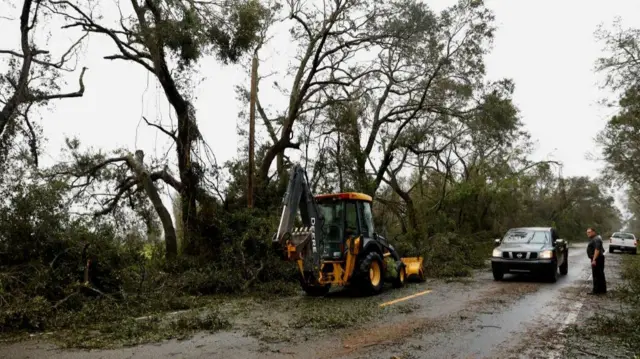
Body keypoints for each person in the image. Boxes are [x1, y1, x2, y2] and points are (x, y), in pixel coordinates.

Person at [586, 227, 607, 295]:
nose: (588, 234)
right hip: (598, 258)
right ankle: (602, 290)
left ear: (594, 232)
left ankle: (596, 290)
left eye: (589, 232)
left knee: (596, 275)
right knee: (600, 274)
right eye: (587, 232)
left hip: (597, 259)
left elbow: (597, 250)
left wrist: (594, 259)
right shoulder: (595, 239)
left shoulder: (596, 239)